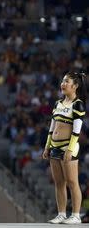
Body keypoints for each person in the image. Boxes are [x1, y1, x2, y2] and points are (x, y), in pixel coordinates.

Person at [43, 72, 86, 224]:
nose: (63, 84)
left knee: (72, 182)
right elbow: (52, 126)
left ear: (75, 86)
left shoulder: (78, 104)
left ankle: (75, 215)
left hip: (68, 146)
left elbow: (76, 130)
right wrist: (47, 146)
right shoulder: (57, 103)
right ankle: (61, 213)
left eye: (66, 81)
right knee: (59, 182)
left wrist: (70, 149)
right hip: (54, 146)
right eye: (62, 81)